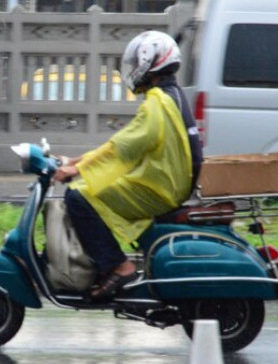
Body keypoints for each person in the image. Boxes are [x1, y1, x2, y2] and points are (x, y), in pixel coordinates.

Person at [54, 30, 203, 301]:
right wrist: (81, 161)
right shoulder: (170, 96)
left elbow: (124, 148)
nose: (134, 70)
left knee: (79, 197)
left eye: (137, 64)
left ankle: (117, 267)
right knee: (87, 188)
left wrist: (78, 170)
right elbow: (124, 142)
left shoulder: (157, 104)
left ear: (151, 64)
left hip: (159, 188)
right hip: (167, 183)